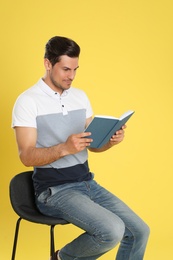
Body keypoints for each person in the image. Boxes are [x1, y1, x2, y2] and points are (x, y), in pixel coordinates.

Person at [12, 36, 150, 260]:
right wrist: (65, 148)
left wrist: (109, 141)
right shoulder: (28, 101)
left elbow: (92, 145)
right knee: (112, 230)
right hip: (54, 191)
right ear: (48, 64)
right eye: (66, 69)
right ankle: (60, 258)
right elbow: (26, 156)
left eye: (75, 69)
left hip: (87, 184)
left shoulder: (80, 97)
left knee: (139, 231)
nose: (72, 76)